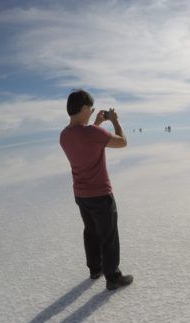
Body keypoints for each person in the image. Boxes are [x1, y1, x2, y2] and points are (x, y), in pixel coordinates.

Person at [59, 89, 133, 290]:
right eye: (90, 109)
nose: (92, 112)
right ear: (83, 108)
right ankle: (113, 277)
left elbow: (85, 141)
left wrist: (97, 124)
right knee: (108, 235)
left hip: (81, 194)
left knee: (90, 232)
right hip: (100, 193)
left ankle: (95, 269)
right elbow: (122, 142)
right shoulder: (93, 133)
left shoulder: (64, 136)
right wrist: (115, 121)